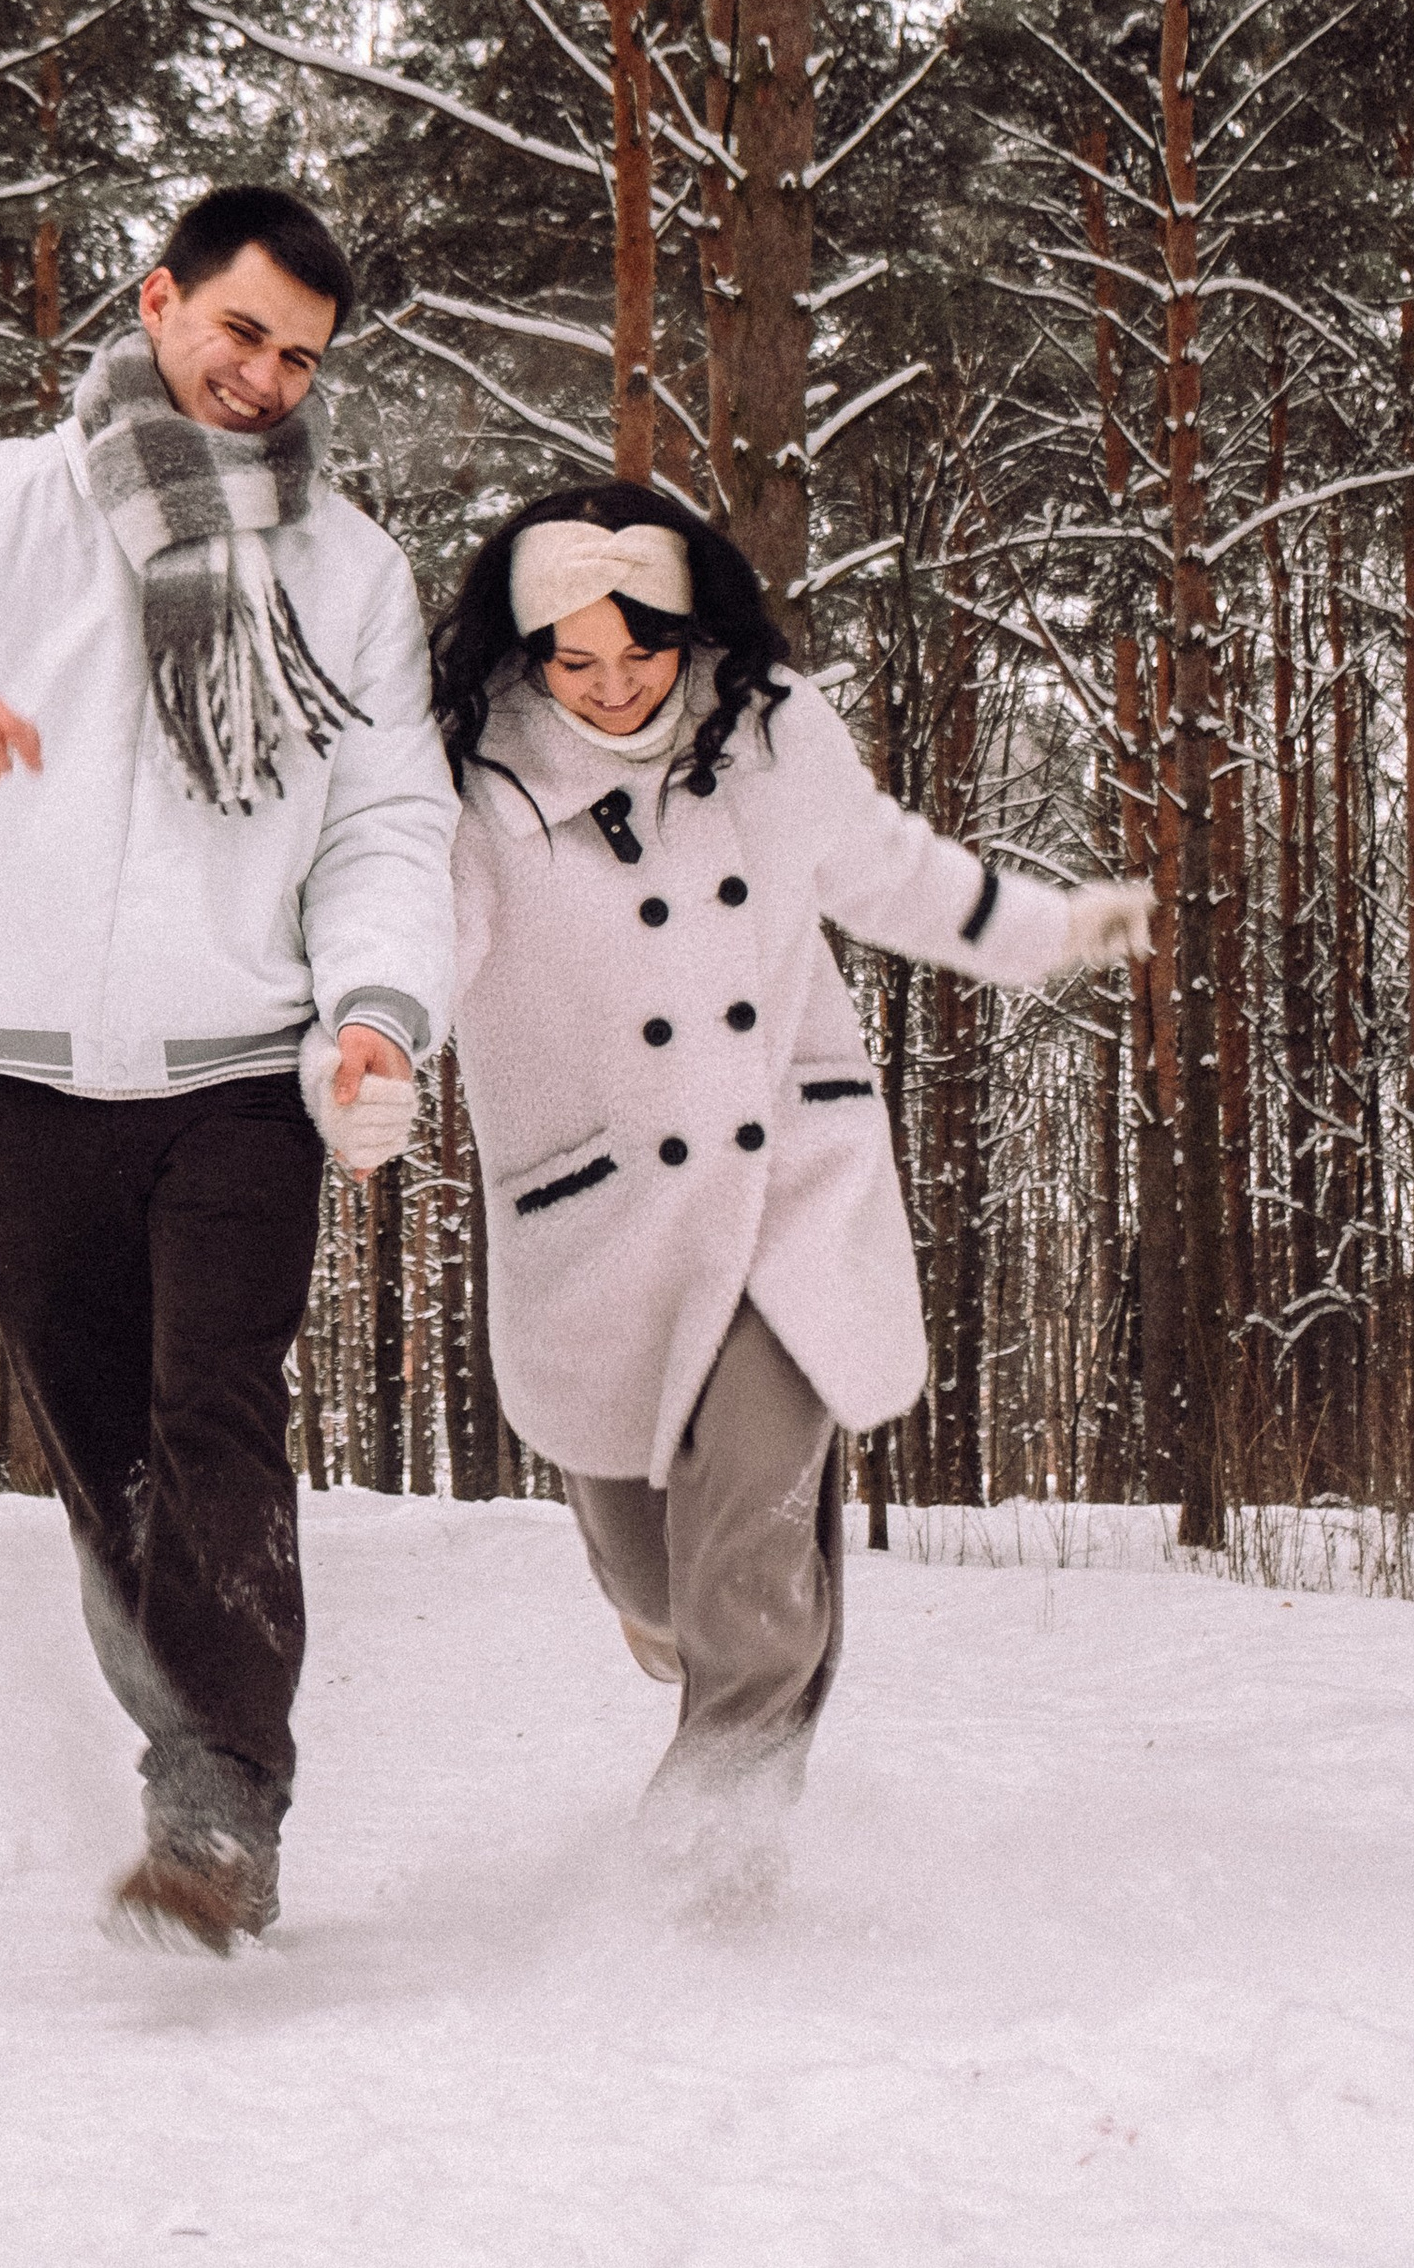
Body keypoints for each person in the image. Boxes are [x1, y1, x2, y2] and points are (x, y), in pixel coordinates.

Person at [0, 183, 456, 1953]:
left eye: (301, 356)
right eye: (240, 331)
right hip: (27, 1072)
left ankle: (220, 1799)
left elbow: (387, 817)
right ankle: (198, 1751)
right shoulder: (0, 508)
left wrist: (378, 1004)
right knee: (104, 1461)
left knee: (213, 1415)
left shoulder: (351, 569)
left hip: (241, 1068)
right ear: (160, 302)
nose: (263, 377)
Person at [431, 480, 1149, 1885]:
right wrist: (366, 1038)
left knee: (754, 1574)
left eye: (640, 651)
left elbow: (890, 875)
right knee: (661, 1576)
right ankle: (669, 1624)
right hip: (599, 1220)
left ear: (689, 629)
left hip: (783, 1192)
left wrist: (1050, 930)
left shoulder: (768, 739)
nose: (615, 686)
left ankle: (706, 1868)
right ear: (525, 659)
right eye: (574, 661)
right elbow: (413, 939)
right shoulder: (474, 788)